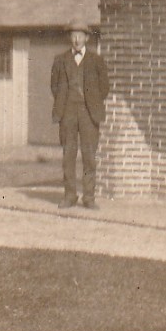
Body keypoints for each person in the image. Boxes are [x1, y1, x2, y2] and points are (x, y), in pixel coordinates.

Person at [50, 26, 110, 210]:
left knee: (89, 156)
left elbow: (104, 87)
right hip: (67, 112)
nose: (76, 40)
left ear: (87, 38)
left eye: (80, 36)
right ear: (70, 37)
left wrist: (91, 101)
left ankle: (89, 197)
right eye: (73, 36)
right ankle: (70, 195)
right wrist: (65, 103)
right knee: (68, 155)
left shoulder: (96, 60)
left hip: (89, 113)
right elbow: (54, 86)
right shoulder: (60, 60)